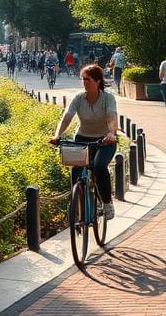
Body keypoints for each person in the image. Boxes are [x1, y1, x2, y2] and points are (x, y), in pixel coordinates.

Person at [50, 64, 119, 220]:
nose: (84, 82)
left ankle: (107, 203)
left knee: (99, 166)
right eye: (83, 79)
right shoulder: (79, 98)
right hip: (82, 138)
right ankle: (77, 205)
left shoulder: (108, 98)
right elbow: (67, 117)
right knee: (76, 172)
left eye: (87, 79)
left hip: (104, 140)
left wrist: (111, 133)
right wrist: (56, 135)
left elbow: (111, 117)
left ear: (97, 81)